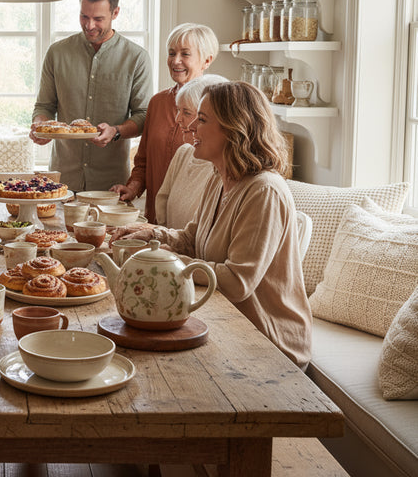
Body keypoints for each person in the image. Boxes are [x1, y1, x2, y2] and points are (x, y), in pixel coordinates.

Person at [113, 81, 310, 368]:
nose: (190, 126)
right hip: (223, 322)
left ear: (233, 129)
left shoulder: (264, 191)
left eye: (202, 119)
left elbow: (237, 282)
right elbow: (193, 239)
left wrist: (163, 262)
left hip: (267, 343)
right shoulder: (220, 177)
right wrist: (151, 235)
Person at [30, 0, 153, 192]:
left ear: (115, 13)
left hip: (111, 184)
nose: (89, 25)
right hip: (62, 180)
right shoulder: (57, 53)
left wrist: (116, 131)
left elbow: (143, 116)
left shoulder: (136, 58)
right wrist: (42, 127)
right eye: (83, 16)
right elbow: (44, 106)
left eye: (98, 18)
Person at [110, 23, 218, 221]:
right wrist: (132, 188)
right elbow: (143, 160)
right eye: (171, 53)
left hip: (195, 220)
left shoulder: (217, 105)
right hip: (155, 218)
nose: (175, 61)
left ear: (207, 60)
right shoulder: (157, 102)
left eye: (185, 54)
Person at [153, 74, 228, 229]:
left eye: (187, 113)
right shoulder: (184, 153)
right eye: (178, 110)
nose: (178, 119)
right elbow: (162, 205)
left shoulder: (224, 170)